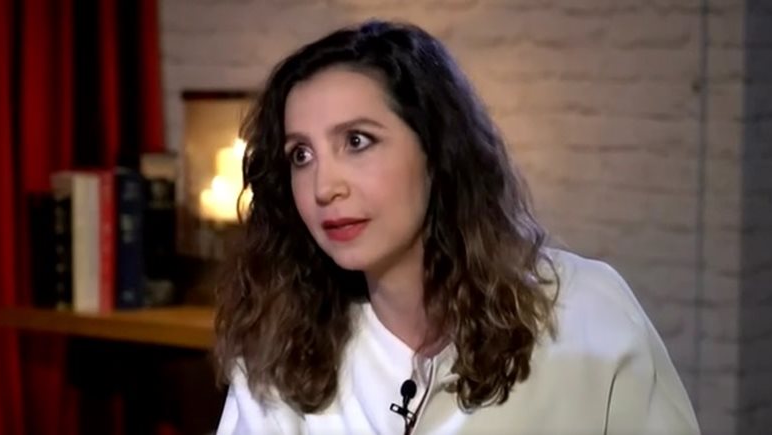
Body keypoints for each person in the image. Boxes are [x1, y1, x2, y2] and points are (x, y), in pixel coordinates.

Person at [213, 20, 699, 435]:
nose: (324, 187)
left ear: (436, 151)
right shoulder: (278, 350)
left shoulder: (586, 313)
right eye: (301, 154)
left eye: (357, 141)